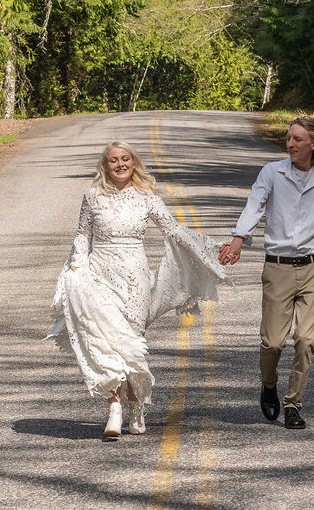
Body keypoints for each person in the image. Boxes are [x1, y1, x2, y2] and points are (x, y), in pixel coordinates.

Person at [47, 141, 227, 439]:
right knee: (106, 340)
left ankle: (137, 407)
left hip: (134, 279)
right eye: (113, 160)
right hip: (99, 275)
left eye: (125, 159)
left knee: (130, 341)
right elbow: (82, 236)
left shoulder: (147, 197)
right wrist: (77, 266)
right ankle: (114, 409)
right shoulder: (93, 196)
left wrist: (211, 251)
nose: (120, 164)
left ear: (134, 163)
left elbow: (173, 230)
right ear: (105, 166)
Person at [218, 117, 314, 430]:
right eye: (289, 138)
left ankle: (293, 404)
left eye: (298, 139)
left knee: (306, 340)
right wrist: (238, 241)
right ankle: (268, 385)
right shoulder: (272, 172)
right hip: (278, 267)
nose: (291, 144)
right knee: (272, 342)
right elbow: (254, 206)